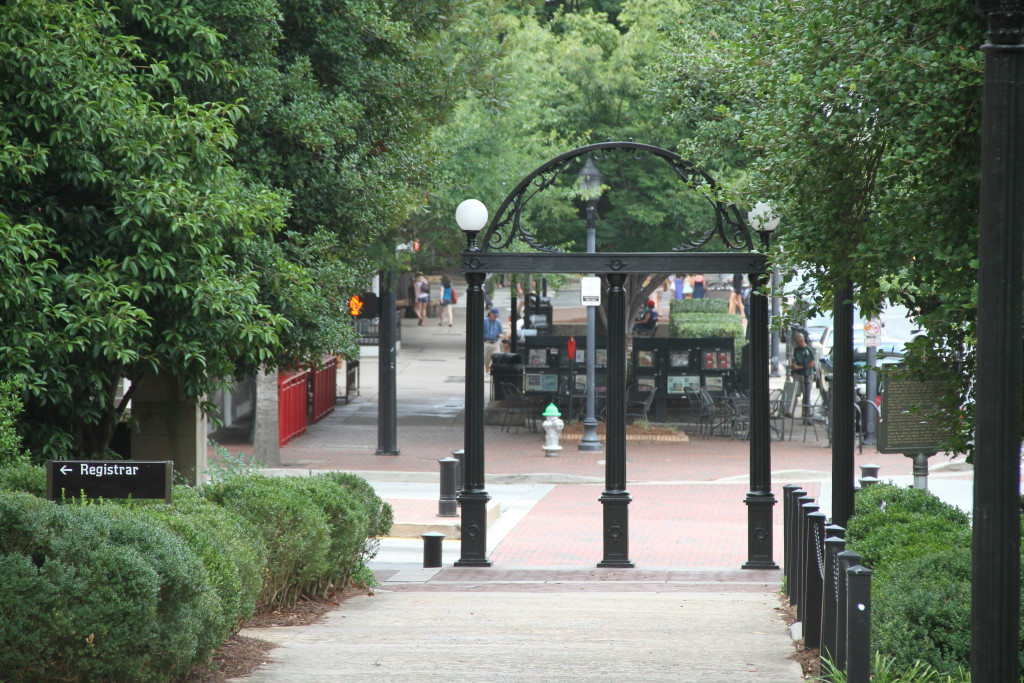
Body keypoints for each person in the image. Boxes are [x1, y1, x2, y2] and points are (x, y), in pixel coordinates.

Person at [791, 332, 816, 417]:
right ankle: (791, 412)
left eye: (798, 342)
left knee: (806, 395)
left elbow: (812, 364)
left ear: (801, 341)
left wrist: (799, 367)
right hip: (797, 374)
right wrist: (793, 365)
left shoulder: (809, 350)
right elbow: (794, 359)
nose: (797, 344)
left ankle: (805, 413)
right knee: (795, 394)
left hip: (807, 374)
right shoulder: (796, 349)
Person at [483, 307, 504, 374]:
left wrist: (500, 335)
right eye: (494, 315)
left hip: (495, 342)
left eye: (496, 315)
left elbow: (501, 332)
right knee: (487, 359)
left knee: (496, 358)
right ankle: (487, 372)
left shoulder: (498, 322)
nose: (495, 316)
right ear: (491, 314)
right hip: (487, 342)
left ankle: (494, 372)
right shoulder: (485, 321)